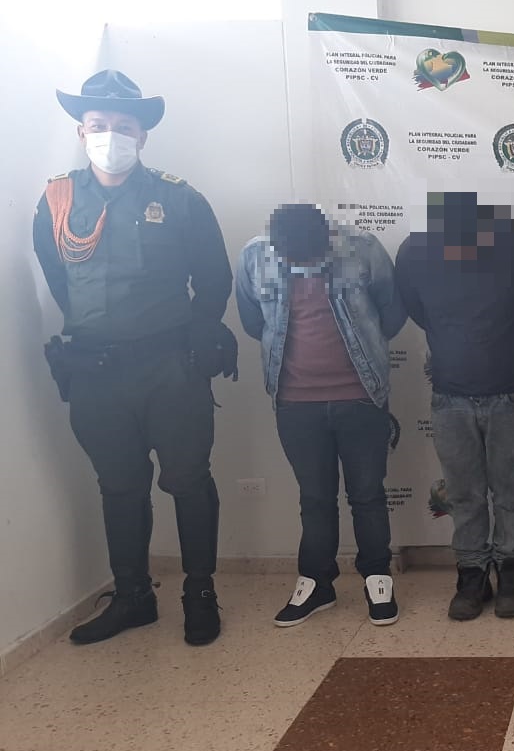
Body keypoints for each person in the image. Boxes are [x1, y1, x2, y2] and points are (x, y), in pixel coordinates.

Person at [33, 70, 237, 646]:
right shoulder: (57, 199)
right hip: (96, 372)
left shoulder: (178, 198)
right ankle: (133, 597)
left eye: (123, 126)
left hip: (169, 367)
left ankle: (200, 593)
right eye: (98, 124)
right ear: (81, 131)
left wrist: (195, 341)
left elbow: (214, 278)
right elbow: (58, 278)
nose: (110, 135)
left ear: (142, 135)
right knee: (118, 485)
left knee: (188, 479)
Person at [236, 204, 406, 627]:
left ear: (328, 238)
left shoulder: (363, 249)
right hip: (295, 404)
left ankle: (377, 578)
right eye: (293, 261)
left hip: (361, 397)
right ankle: (316, 582)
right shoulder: (254, 256)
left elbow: (392, 312)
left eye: (312, 259)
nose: (303, 266)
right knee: (314, 498)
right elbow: (253, 321)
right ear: (277, 248)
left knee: (367, 494)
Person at [394, 193, 514, 621]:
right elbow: (417, 309)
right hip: (450, 396)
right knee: (464, 496)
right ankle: (472, 577)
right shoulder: (415, 253)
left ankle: (511, 576)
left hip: (511, 392)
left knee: (510, 494)